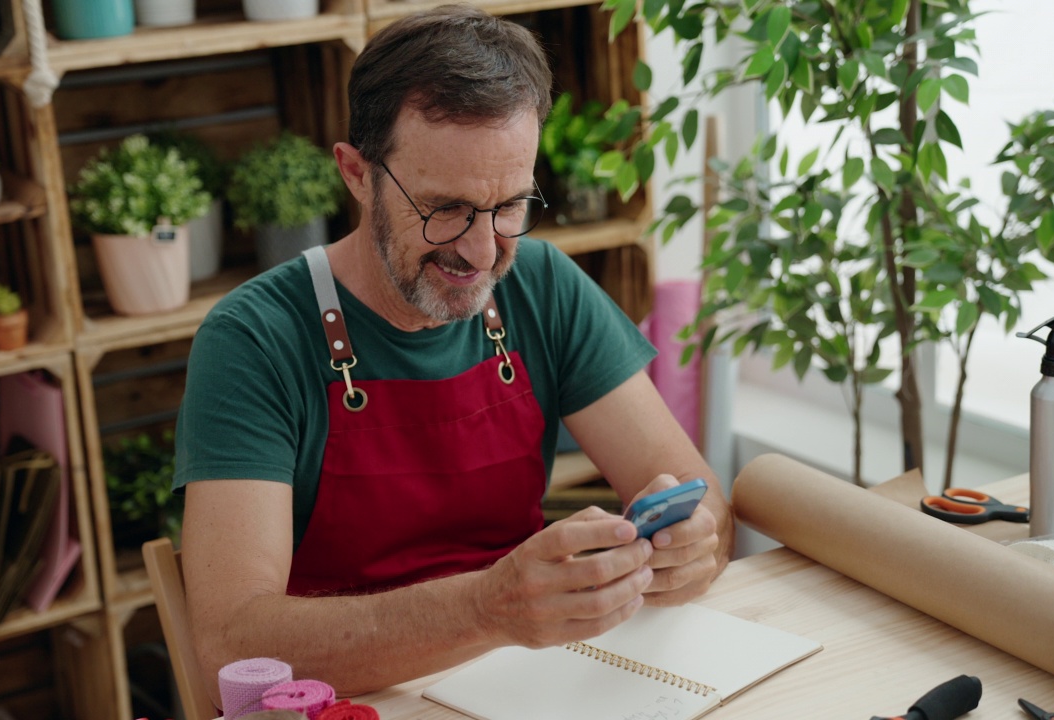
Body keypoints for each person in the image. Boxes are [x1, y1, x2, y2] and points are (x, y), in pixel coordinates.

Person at [174, 3, 734, 703]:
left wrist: (689, 546)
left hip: (530, 682)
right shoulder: (255, 339)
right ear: (355, 173)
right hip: (350, 702)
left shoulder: (543, 285)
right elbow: (232, 645)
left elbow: (704, 500)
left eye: (508, 207)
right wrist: (485, 608)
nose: (480, 249)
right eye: (445, 208)